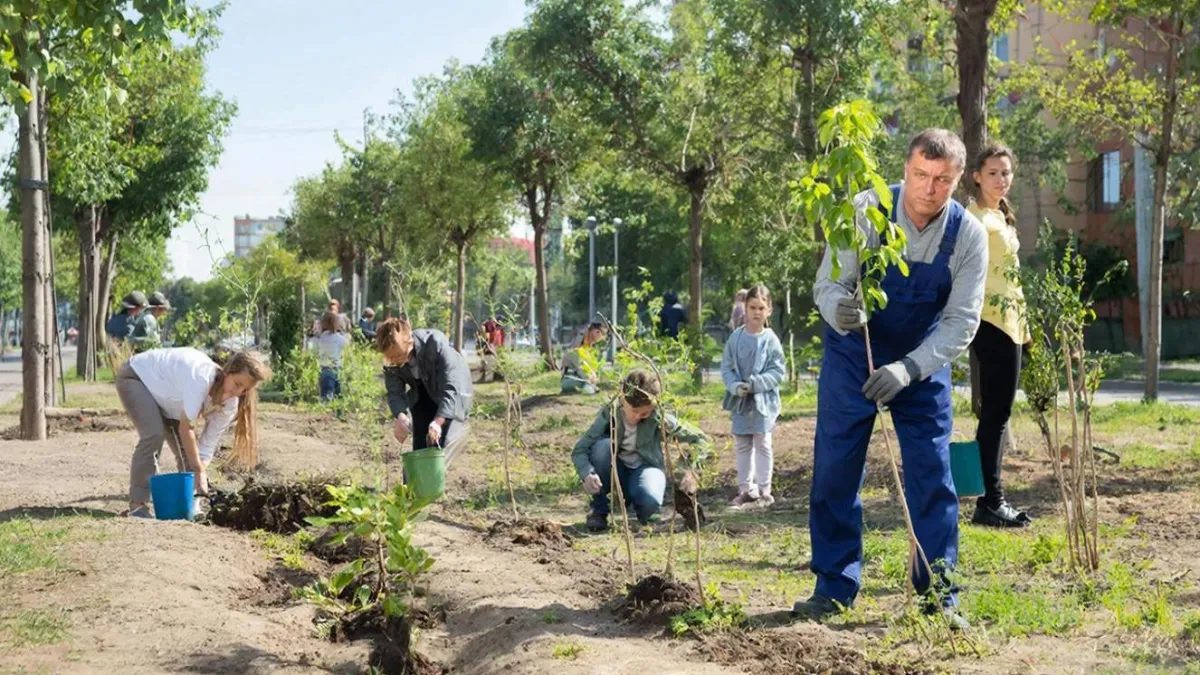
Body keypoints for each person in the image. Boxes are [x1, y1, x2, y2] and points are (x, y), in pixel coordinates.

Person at [799, 129, 988, 629]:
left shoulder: (968, 236)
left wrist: (907, 369)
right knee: (836, 468)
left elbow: (960, 322)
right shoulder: (866, 210)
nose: (929, 188)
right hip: (852, 354)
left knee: (933, 475)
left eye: (942, 179)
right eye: (920, 175)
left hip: (921, 362)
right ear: (905, 169)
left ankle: (939, 595)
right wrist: (839, 310)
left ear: (957, 181)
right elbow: (829, 284)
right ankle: (833, 587)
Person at [116, 348, 272, 518]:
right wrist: (199, 470)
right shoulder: (201, 378)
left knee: (191, 456)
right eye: (237, 384)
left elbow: (206, 447)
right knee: (154, 435)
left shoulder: (229, 406)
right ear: (228, 372)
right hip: (137, 378)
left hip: (169, 399)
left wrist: (200, 472)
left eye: (245, 390)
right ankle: (138, 506)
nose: (238, 392)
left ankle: (191, 507)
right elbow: (186, 428)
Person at [968, 143, 1032, 528]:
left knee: (998, 411)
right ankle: (991, 501)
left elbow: (1012, 279)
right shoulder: (974, 218)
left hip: (1011, 324)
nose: (1000, 179)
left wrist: (1026, 329)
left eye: (1005, 172)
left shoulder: (1000, 215)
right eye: (992, 173)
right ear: (977, 176)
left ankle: (989, 500)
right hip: (989, 321)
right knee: (996, 413)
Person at [572, 369, 709, 532]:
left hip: (646, 469)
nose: (637, 417)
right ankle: (599, 510)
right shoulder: (610, 413)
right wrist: (587, 473)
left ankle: (644, 509)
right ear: (623, 399)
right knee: (602, 447)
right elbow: (580, 449)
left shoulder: (658, 417)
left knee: (649, 501)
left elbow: (702, 440)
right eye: (634, 411)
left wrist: (691, 471)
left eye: (644, 413)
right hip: (615, 472)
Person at [720, 285, 786, 509]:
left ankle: (765, 490)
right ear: (745, 308)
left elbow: (777, 371)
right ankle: (746, 490)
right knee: (742, 444)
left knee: (763, 442)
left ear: (769, 310)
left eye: (761, 308)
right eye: (752, 307)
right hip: (741, 402)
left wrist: (756, 384)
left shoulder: (770, 340)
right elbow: (727, 367)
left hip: (763, 403)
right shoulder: (736, 338)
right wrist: (735, 386)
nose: (756, 312)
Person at [376, 317, 473, 466]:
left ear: (409, 341)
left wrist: (438, 422)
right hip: (422, 392)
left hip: (453, 392)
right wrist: (400, 415)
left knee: (441, 442)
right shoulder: (392, 361)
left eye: (397, 355)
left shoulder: (435, 344)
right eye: (390, 357)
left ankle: (436, 474)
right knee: (420, 445)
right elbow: (395, 392)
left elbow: (451, 388)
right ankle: (417, 478)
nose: (394, 360)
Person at [313, 311, 351, 401]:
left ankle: (324, 407)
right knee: (338, 396)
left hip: (324, 369)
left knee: (326, 396)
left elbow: (314, 349)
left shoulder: (320, 338)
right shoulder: (339, 338)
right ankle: (338, 409)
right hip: (337, 369)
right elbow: (347, 343)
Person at [562, 322, 607, 394]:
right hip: (570, 379)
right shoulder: (575, 349)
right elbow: (580, 367)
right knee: (589, 389)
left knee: (590, 388)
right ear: (596, 331)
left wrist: (593, 376)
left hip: (580, 379)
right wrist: (590, 379)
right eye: (593, 340)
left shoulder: (587, 350)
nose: (592, 343)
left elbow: (589, 368)